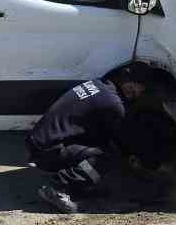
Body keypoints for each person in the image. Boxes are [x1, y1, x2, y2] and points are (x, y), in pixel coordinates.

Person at [26, 63, 158, 213]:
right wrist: (147, 160)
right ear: (126, 80)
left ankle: (79, 187)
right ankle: (57, 187)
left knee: (103, 145)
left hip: (43, 141)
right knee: (104, 157)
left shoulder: (100, 84)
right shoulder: (113, 103)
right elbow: (123, 139)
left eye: (141, 88)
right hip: (47, 151)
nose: (137, 91)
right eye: (136, 86)